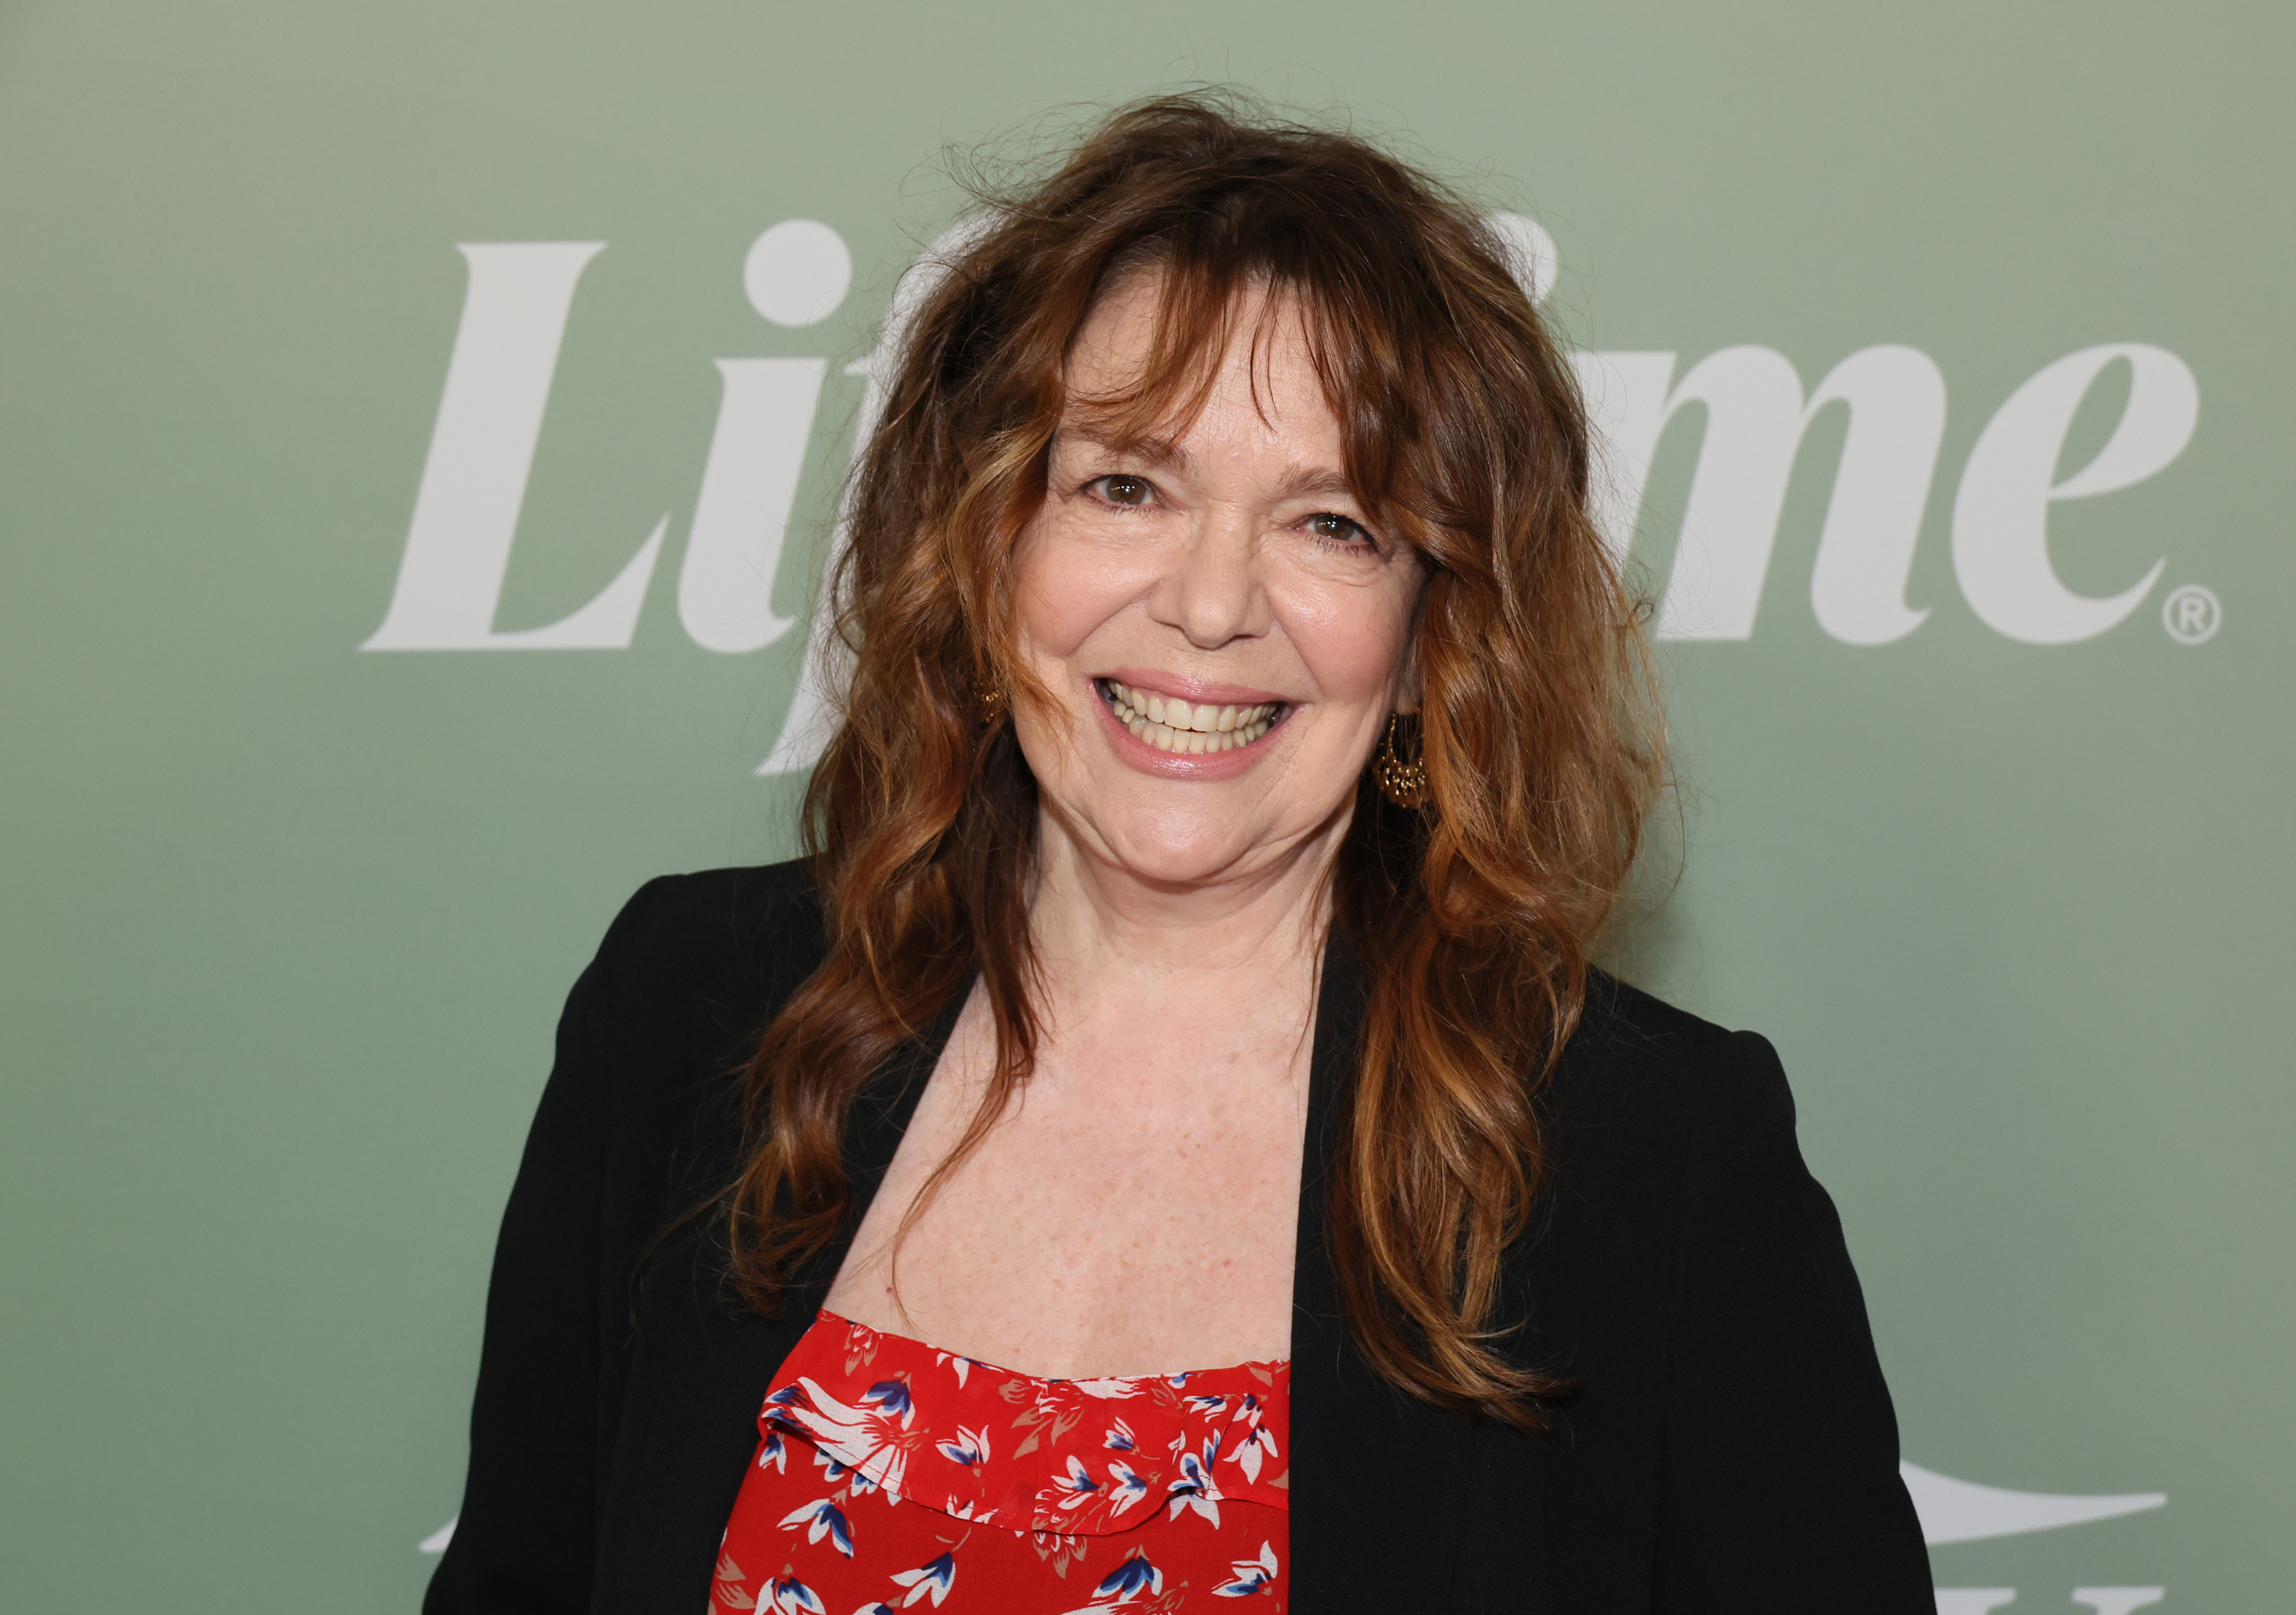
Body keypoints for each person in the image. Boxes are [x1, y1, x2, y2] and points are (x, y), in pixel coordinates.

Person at [425, 93, 1936, 1615]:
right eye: (1125, 486)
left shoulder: (1657, 1161)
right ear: (984, 543)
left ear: (1432, 636)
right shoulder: (688, 1011)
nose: (1211, 604)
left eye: (1331, 522)